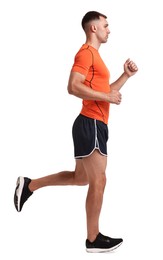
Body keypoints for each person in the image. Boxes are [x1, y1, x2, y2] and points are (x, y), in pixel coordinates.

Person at [14, 11, 138, 253]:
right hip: (90, 123)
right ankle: (93, 239)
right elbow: (72, 86)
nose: (109, 29)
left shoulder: (97, 59)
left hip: (95, 123)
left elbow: (106, 93)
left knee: (80, 178)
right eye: (105, 25)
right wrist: (106, 96)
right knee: (99, 180)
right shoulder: (86, 53)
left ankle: (29, 185)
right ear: (93, 28)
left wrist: (126, 76)